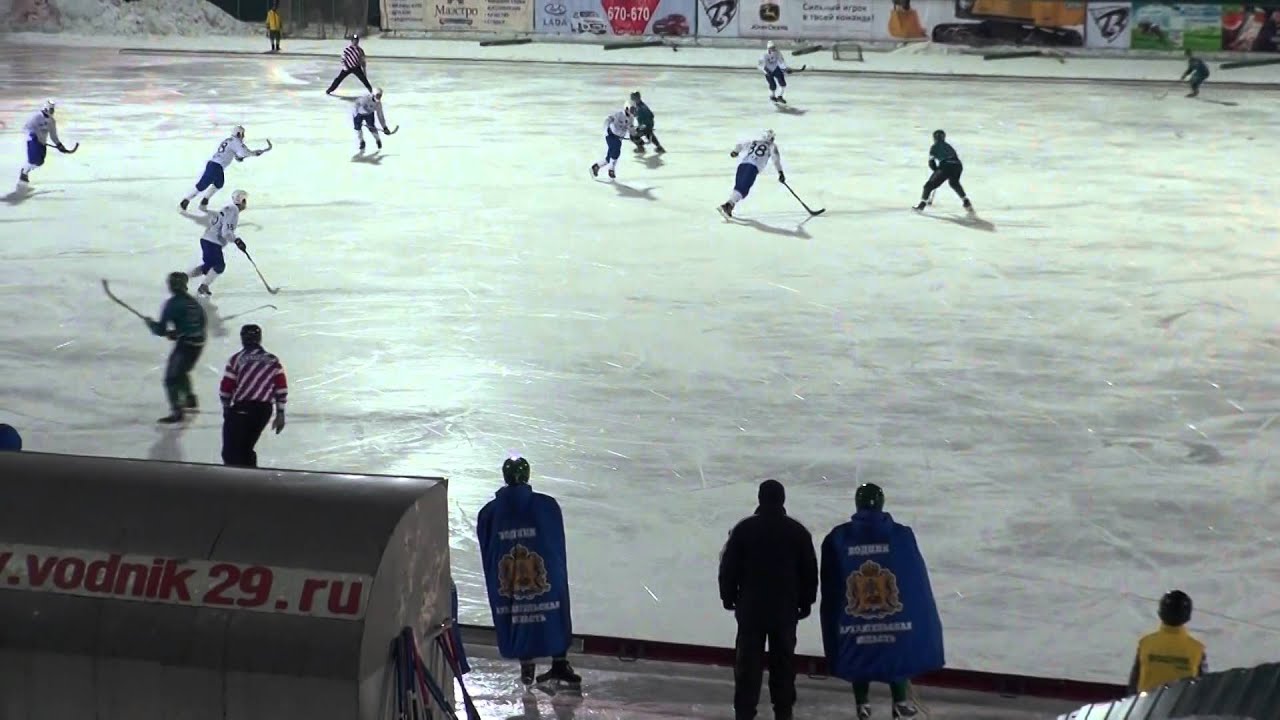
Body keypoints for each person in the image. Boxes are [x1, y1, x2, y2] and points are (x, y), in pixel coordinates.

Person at [820, 483, 944, 720]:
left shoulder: (838, 538)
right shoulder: (901, 535)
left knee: (858, 650)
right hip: (893, 614)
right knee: (896, 649)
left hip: (854, 616)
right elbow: (913, 582)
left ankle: (862, 705)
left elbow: (831, 582)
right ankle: (899, 701)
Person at [476, 457, 581, 691]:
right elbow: (555, 543)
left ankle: (527, 664)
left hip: (509, 579)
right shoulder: (547, 506)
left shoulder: (489, 513)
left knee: (517, 613)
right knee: (553, 614)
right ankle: (559, 662)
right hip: (546, 576)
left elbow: (488, 549)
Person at [718, 479, 818, 720]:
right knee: (783, 664)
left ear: (760, 499)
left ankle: (744, 712)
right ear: (782, 500)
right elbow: (809, 571)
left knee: (747, 667)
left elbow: (729, 567)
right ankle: (783, 712)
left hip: (751, 610)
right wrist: (806, 602)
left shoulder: (744, 529)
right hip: (784, 611)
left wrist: (728, 597)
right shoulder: (797, 531)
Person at [218, 324, 288, 467]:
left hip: (243, 408)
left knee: (231, 452)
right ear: (259, 339)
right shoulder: (273, 360)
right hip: (264, 411)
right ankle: (251, 480)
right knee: (246, 449)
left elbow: (226, 387)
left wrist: (226, 408)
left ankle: (238, 484)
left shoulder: (236, 359)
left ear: (242, 339)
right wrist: (280, 413)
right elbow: (281, 387)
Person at [147, 272, 207, 424]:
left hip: (186, 345)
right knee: (183, 371)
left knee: (171, 379)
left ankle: (177, 411)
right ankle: (189, 399)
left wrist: (151, 324)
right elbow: (201, 322)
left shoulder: (172, 304)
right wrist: (179, 332)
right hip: (199, 343)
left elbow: (160, 330)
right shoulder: (194, 302)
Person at [1127, 590, 1207, 694]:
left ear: (1160, 613)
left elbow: (1134, 683)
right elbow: (1204, 686)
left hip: (1146, 707)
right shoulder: (1197, 649)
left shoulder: (1145, 643)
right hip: (1181, 707)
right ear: (1188, 617)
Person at [179, 127, 265, 211]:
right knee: (202, 185)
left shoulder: (228, 140)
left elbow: (233, 153)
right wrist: (254, 153)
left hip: (215, 165)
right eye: (243, 134)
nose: (243, 136)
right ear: (239, 134)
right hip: (216, 167)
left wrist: (239, 156)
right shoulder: (236, 142)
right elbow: (243, 153)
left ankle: (204, 200)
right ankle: (185, 200)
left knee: (219, 184)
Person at [189, 190, 249, 296]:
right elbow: (226, 232)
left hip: (207, 240)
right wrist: (237, 240)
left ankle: (184, 277)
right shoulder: (233, 211)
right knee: (219, 266)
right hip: (213, 242)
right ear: (242, 200)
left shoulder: (228, 208)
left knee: (208, 267)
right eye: (245, 200)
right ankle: (203, 286)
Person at [719, 129, 784, 219]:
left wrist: (735, 152)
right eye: (772, 138)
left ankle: (729, 205)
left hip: (742, 165)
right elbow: (776, 159)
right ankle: (727, 205)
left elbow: (740, 145)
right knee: (743, 190)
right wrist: (780, 172)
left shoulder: (754, 142)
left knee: (739, 188)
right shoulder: (772, 146)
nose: (773, 139)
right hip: (753, 168)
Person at [914, 129, 973, 213]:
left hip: (946, 166)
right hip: (957, 165)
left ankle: (922, 204)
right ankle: (966, 202)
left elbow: (931, 162)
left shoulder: (934, 147)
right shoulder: (949, 146)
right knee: (954, 183)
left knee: (928, 186)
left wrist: (936, 171)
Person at [20, 100, 73, 185]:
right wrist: (32, 135)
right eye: (51, 109)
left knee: (40, 162)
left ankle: (25, 171)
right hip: (33, 141)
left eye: (53, 109)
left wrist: (59, 145)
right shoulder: (36, 117)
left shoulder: (51, 121)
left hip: (42, 142)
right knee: (33, 160)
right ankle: (24, 174)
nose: (52, 111)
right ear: (46, 108)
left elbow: (53, 135)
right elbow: (26, 128)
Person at [590, 101, 636, 181]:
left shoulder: (631, 118)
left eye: (634, 109)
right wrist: (605, 130)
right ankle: (611, 170)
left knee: (609, 158)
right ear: (626, 108)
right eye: (631, 109)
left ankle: (596, 167)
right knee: (616, 151)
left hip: (619, 138)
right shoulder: (619, 115)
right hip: (611, 135)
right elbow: (608, 119)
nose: (633, 111)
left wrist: (635, 132)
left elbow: (631, 129)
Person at [349, 87, 391, 152]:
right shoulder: (364, 99)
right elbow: (355, 107)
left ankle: (378, 140)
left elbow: (380, 115)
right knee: (358, 129)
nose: (379, 97)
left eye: (380, 96)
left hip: (369, 114)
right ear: (373, 95)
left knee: (372, 128)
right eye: (378, 95)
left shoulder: (378, 104)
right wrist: (356, 117)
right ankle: (361, 141)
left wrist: (385, 127)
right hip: (358, 114)